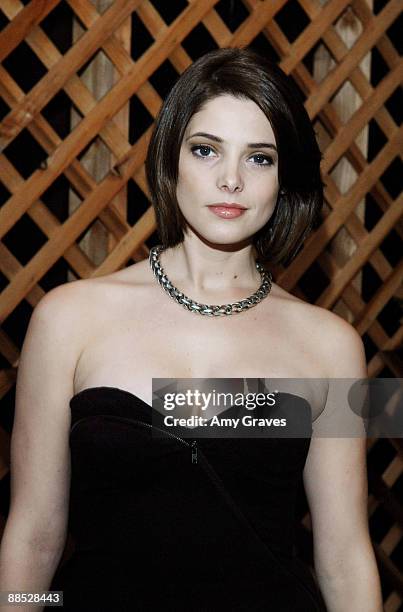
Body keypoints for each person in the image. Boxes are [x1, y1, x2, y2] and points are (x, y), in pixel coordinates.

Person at [0, 47, 383, 611]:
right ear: (170, 159)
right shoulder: (65, 318)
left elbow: (345, 556)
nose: (230, 179)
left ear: (286, 179)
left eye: (259, 158)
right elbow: (33, 536)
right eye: (206, 150)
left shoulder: (336, 345)